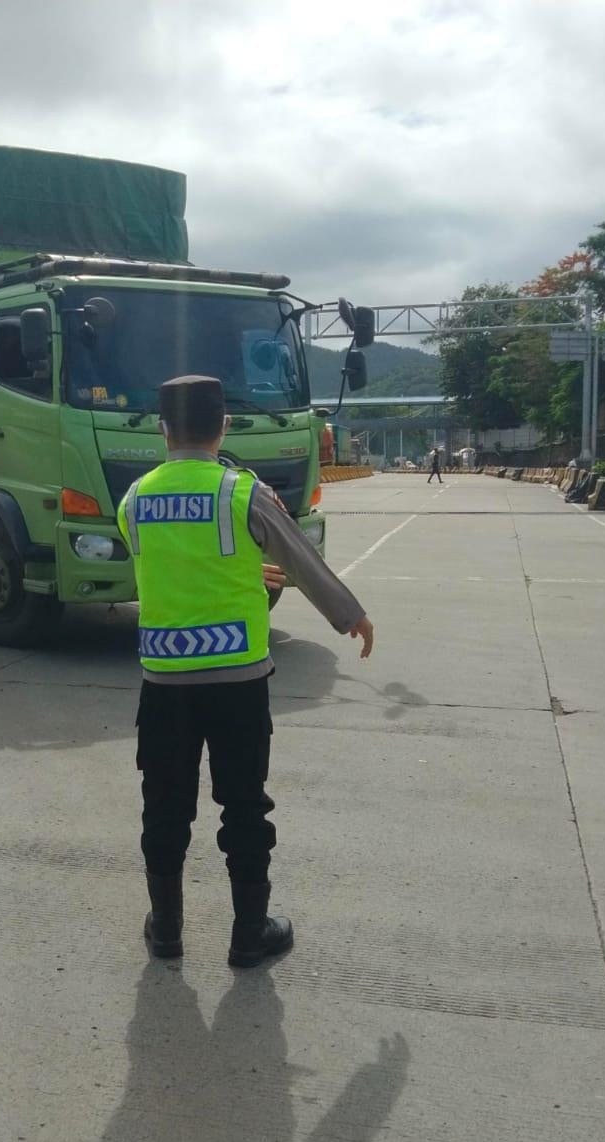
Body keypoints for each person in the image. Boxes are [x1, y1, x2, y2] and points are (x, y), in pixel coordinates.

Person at [116, 375, 375, 970]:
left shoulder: (135, 499)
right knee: (244, 805)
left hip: (164, 685)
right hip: (237, 682)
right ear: (225, 426)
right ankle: (249, 935)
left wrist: (236, 571)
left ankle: (167, 930)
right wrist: (350, 615)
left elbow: (166, 561)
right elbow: (299, 559)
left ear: (162, 430)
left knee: (165, 805)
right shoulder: (242, 493)